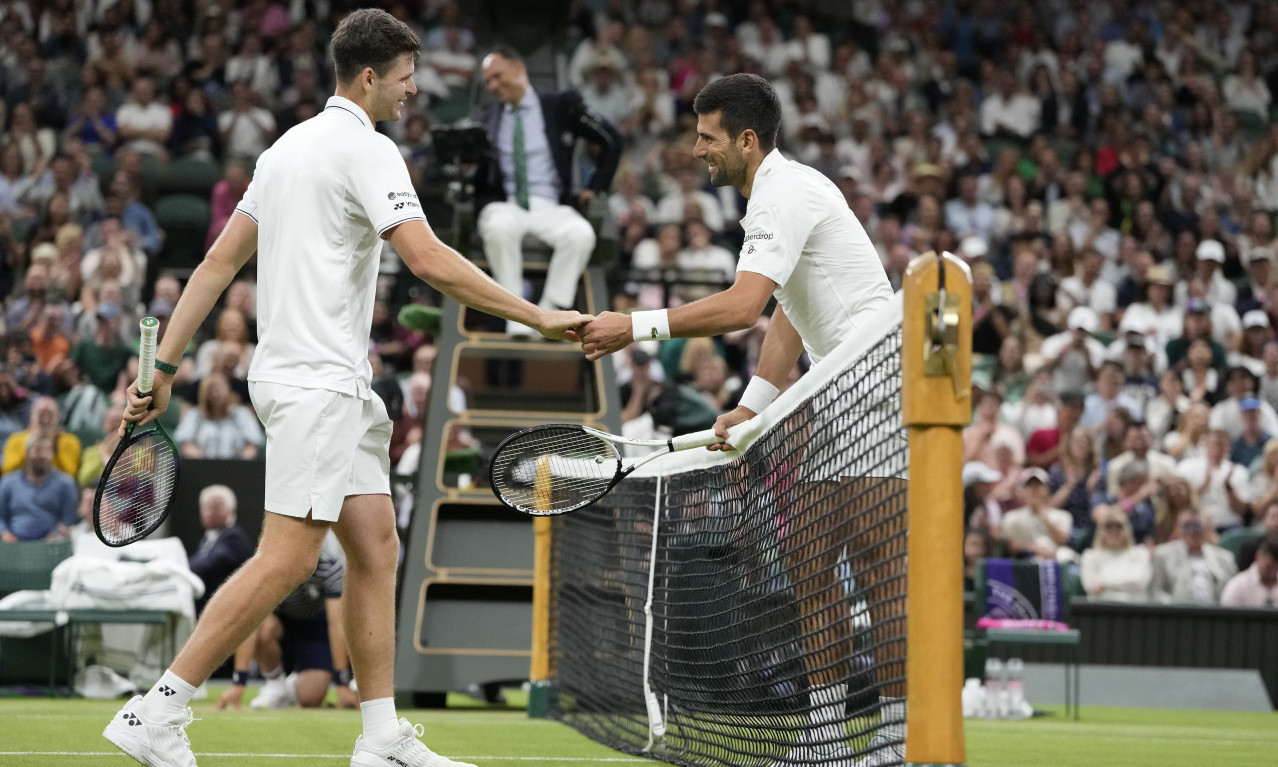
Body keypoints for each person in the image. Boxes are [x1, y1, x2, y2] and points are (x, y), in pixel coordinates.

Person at [102, 11, 588, 767]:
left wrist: (163, 371)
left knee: (376, 544)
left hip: (322, 381)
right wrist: (535, 315)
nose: (413, 89)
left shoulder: (283, 149)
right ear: (370, 77)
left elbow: (215, 267)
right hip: (316, 382)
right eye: (404, 78)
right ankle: (158, 709)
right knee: (288, 559)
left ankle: (382, 735)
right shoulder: (371, 149)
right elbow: (426, 260)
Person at [579, 73, 897, 766]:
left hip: (875, 381)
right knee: (813, 565)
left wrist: (633, 325)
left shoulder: (784, 193)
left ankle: (903, 736)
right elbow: (786, 310)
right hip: (833, 379)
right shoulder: (778, 194)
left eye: (708, 137)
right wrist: (752, 403)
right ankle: (826, 735)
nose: (698, 150)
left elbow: (743, 305)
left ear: (747, 141)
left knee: (876, 569)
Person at [476, 45, 622, 335]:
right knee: (497, 227)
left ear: (518, 69)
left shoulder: (558, 105)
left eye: (497, 76)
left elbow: (612, 140)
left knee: (581, 234)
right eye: (488, 81)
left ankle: (553, 313)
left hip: (551, 205)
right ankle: (517, 314)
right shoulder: (488, 118)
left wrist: (597, 188)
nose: (493, 86)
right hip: (508, 204)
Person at [217, 531, 358, 711]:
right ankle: (276, 685)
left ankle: (290, 686)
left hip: (314, 626)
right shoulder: (269, 568)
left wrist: (342, 684)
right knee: (263, 626)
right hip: (280, 623)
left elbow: (337, 626)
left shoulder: (330, 568)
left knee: (310, 699)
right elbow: (250, 623)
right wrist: (239, 683)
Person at [187, 484, 254, 615]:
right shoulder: (209, 538)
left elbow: (211, 563)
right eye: (206, 507)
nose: (210, 512)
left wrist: (179, 568)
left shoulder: (234, 536)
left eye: (216, 507)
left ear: (230, 510)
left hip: (228, 610)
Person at [1149, 508, 1238, 604]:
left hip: (1215, 614)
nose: (1192, 531)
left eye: (1197, 526)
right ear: (1178, 529)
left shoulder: (1224, 559)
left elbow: (1233, 594)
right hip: (1177, 614)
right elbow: (1154, 592)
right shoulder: (1162, 555)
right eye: (1186, 526)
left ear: (1206, 529)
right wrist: (1174, 604)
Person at [0, 435, 79, 541]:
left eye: (47, 450)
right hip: (14, 542)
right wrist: (4, 532)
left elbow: (68, 518)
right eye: (38, 450)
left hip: (50, 543)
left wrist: (57, 532)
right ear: (27, 453)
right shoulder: (8, 482)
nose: (43, 456)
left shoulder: (65, 483)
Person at [1080, 505, 1152, 602]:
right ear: (1100, 531)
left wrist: (1103, 585)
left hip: (1133, 611)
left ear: (1126, 530)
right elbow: (1090, 586)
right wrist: (1125, 584)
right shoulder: (1090, 556)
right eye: (1108, 527)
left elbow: (1138, 583)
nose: (1113, 531)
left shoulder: (1140, 553)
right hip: (1099, 610)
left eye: (1118, 527)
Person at [1220, 532, 1278, 607]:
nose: (1273, 572)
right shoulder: (1237, 586)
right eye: (1269, 567)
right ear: (1257, 557)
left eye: (1277, 568)